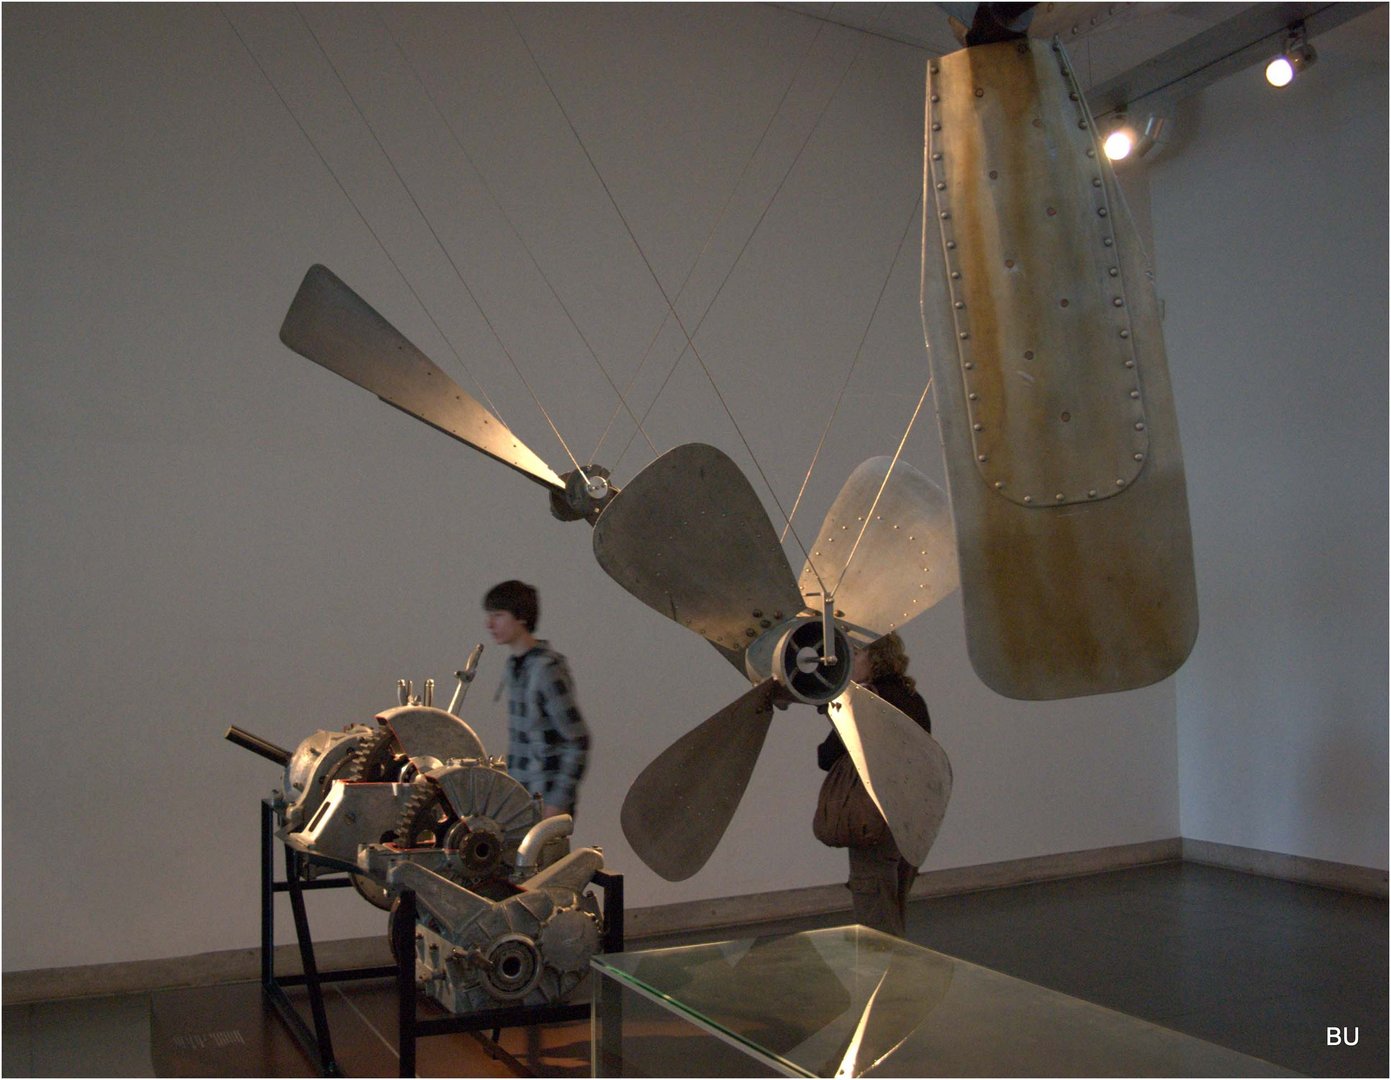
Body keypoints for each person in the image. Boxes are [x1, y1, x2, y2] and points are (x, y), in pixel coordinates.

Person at [816, 632, 932, 937]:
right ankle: (900, 977)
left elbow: (826, 755)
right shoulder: (911, 698)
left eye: (856, 653)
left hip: (873, 820)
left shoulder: (869, 702)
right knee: (893, 904)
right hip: (908, 821)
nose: (848, 661)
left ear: (876, 658)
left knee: (875, 918)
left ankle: (888, 980)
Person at [483, 580, 589, 819]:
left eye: (498, 615)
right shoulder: (514, 667)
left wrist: (557, 802)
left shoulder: (546, 669)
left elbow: (578, 740)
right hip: (522, 801)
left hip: (545, 803)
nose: (490, 624)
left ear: (520, 617)